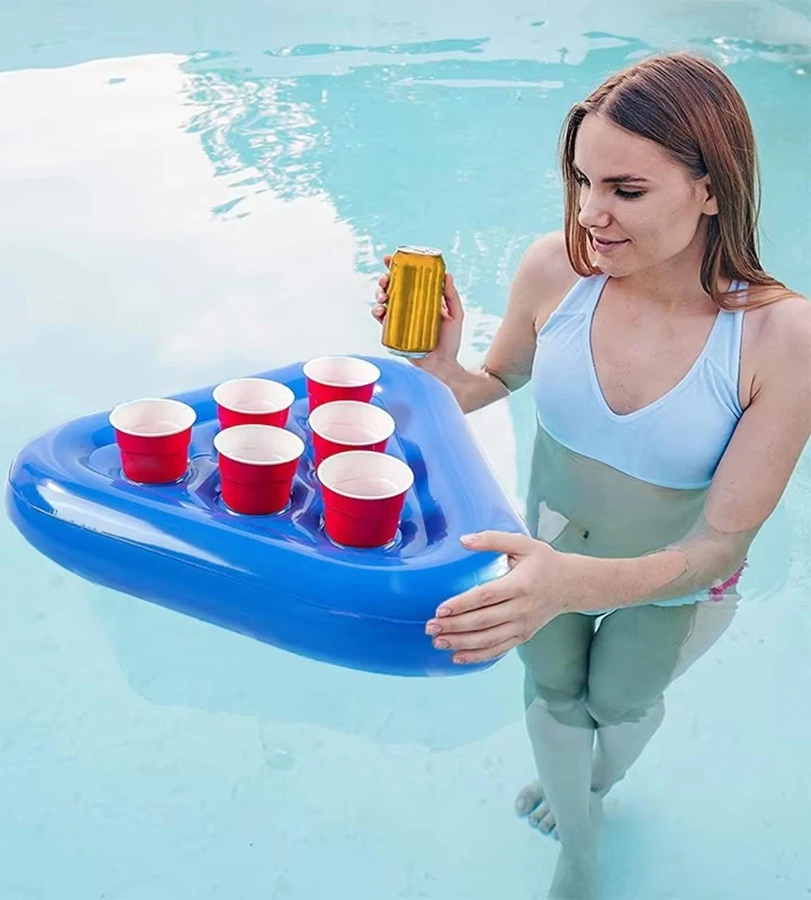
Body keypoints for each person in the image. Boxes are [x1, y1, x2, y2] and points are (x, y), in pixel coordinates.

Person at [372, 52, 811, 900]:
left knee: (617, 706)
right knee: (551, 689)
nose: (591, 214)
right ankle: (581, 841)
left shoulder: (780, 340)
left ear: (711, 188)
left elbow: (721, 543)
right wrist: (440, 361)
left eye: (626, 190)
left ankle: (594, 787)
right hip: (545, 549)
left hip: (675, 584)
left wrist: (575, 584)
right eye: (581, 181)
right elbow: (489, 387)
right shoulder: (555, 270)